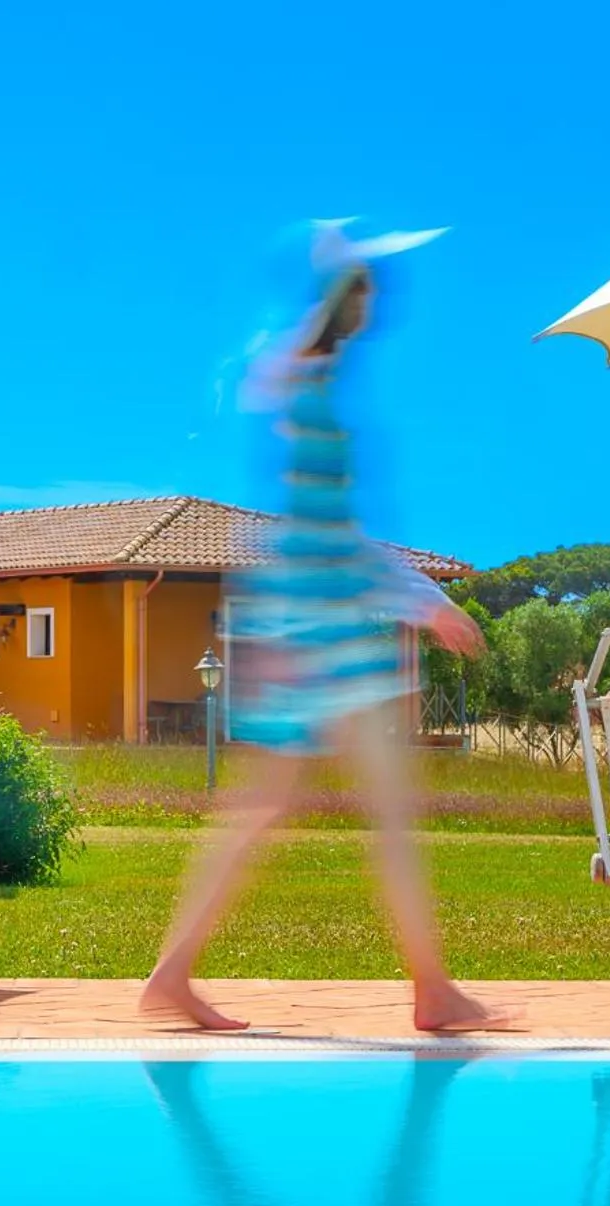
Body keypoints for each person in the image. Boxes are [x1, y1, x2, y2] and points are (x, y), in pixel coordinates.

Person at [141, 221, 492, 1033]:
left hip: (299, 620)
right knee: (384, 809)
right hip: (318, 627)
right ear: (349, 305)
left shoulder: (307, 385)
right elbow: (326, 530)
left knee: (262, 810)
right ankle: (433, 991)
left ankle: (172, 973)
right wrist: (424, 601)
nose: (376, 308)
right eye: (365, 295)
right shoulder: (310, 393)